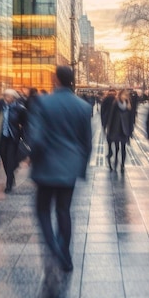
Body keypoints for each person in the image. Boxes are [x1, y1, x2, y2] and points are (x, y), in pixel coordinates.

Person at [28, 66, 92, 272]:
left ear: (56, 79)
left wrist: (31, 159)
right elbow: (87, 143)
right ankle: (65, 254)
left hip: (46, 166)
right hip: (69, 168)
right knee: (64, 211)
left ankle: (54, 248)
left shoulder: (42, 102)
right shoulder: (83, 106)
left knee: (42, 210)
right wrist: (80, 168)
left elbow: (36, 138)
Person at [0, 89, 27, 193]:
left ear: (13, 98)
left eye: (8, 96)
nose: (6, 98)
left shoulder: (19, 109)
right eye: (4, 96)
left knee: (10, 159)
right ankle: (11, 176)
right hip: (2, 137)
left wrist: (22, 136)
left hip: (13, 138)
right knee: (4, 159)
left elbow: (25, 123)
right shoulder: (1, 107)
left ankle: (8, 184)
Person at [105, 89, 135, 173]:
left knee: (123, 148)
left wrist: (131, 130)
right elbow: (111, 116)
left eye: (126, 95)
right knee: (117, 147)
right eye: (124, 95)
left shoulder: (129, 105)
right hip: (116, 129)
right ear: (120, 95)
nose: (125, 96)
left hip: (124, 130)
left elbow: (131, 118)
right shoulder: (115, 103)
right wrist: (108, 128)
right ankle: (115, 159)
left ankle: (122, 164)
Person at [100, 88, 117, 165]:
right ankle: (116, 152)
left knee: (109, 136)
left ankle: (110, 151)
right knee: (116, 136)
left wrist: (103, 122)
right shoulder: (117, 100)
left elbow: (102, 111)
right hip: (115, 120)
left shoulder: (105, 99)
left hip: (107, 120)